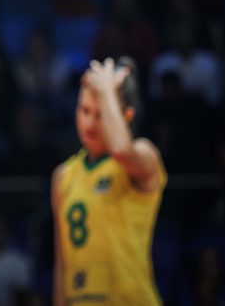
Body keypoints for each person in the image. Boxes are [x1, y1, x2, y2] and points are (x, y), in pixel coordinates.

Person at [51, 57, 167, 305]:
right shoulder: (63, 176)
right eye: (85, 111)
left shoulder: (144, 156)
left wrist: (105, 89)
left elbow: (121, 149)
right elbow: (62, 264)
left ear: (125, 115)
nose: (91, 123)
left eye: (102, 113)